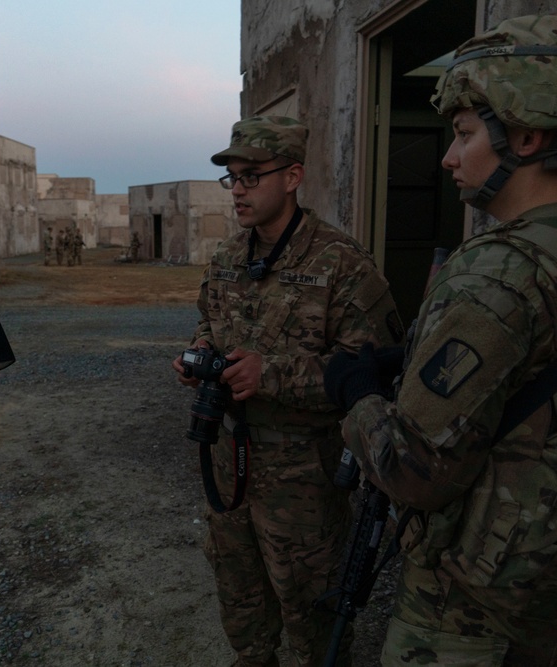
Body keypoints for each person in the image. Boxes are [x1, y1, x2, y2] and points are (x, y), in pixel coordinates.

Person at [323, 13, 557, 666]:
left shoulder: (491, 271)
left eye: (464, 133)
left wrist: (358, 391)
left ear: (528, 135)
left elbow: (413, 474)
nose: (449, 156)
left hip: (474, 622)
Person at [172, 115, 404, 666]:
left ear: (293, 175)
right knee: (240, 595)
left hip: (304, 474)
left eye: (252, 175)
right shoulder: (230, 257)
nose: (239, 189)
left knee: (309, 609)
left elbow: (373, 370)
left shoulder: (342, 263)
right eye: (233, 177)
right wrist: (199, 356)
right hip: (231, 458)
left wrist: (269, 374)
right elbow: (210, 321)